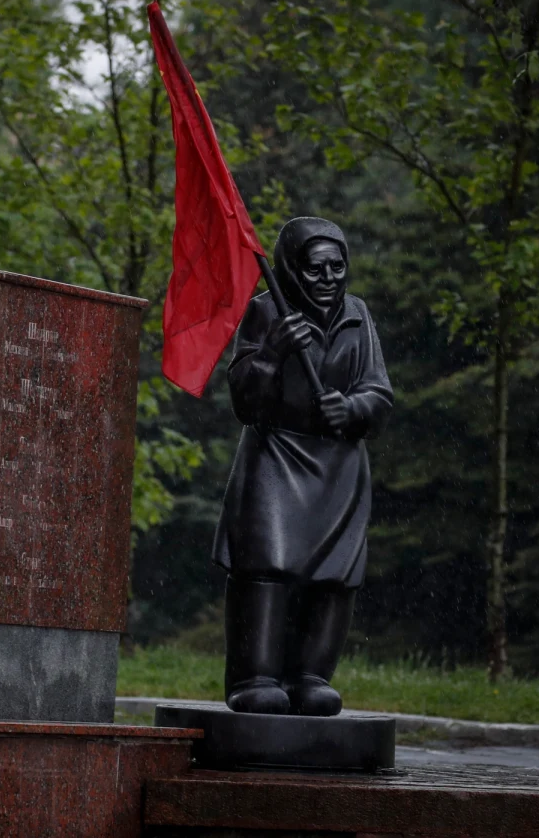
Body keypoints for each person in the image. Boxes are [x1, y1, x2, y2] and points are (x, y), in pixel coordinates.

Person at [213, 216, 393, 717]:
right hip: (277, 457)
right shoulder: (266, 310)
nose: (329, 278)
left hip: (338, 466)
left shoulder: (359, 315)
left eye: (338, 267)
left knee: (334, 574)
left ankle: (311, 674)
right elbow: (244, 400)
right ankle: (256, 675)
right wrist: (272, 353)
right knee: (267, 566)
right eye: (316, 269)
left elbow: (379, 391)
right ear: (292, 268)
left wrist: (352, 409)